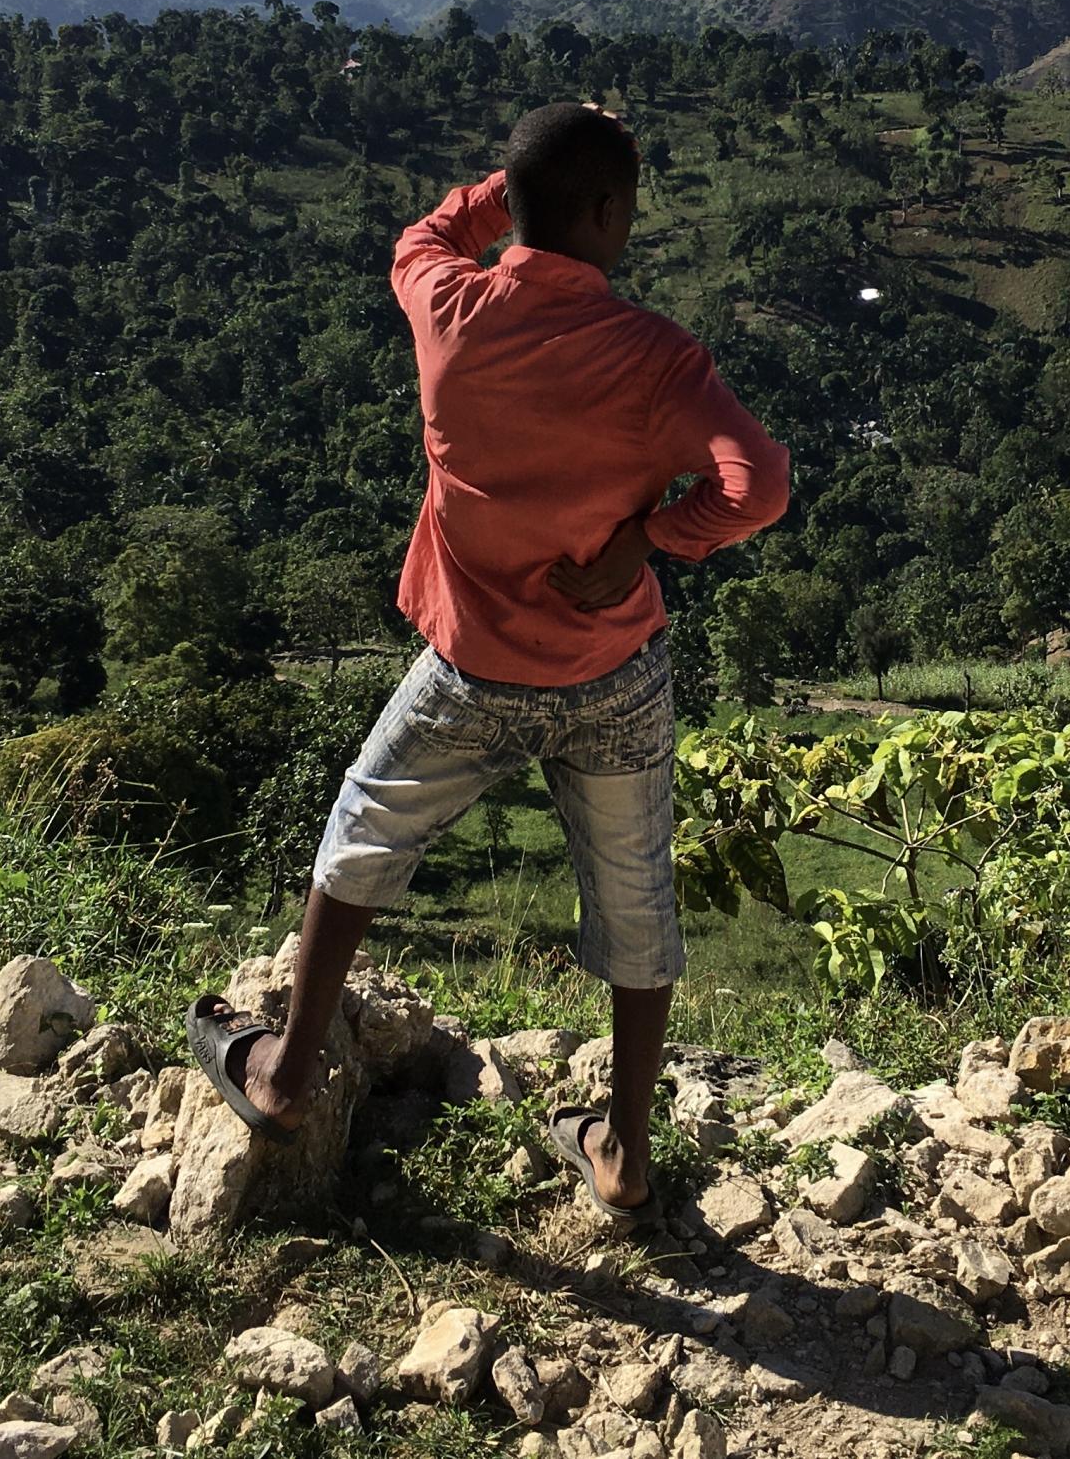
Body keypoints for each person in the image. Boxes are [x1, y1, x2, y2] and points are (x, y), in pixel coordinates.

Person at [187, 101, 791, 1223]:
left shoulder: (449, 306)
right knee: (633, 898)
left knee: (361, 834)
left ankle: (278, 1074)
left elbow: (426, 233)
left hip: (471, 669)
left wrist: (505, 188)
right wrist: (648, 541)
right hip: (612, 675)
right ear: (611, 212)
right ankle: (622, 1150)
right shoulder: (656, 359)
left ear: (516, 204)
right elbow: (759, 485)